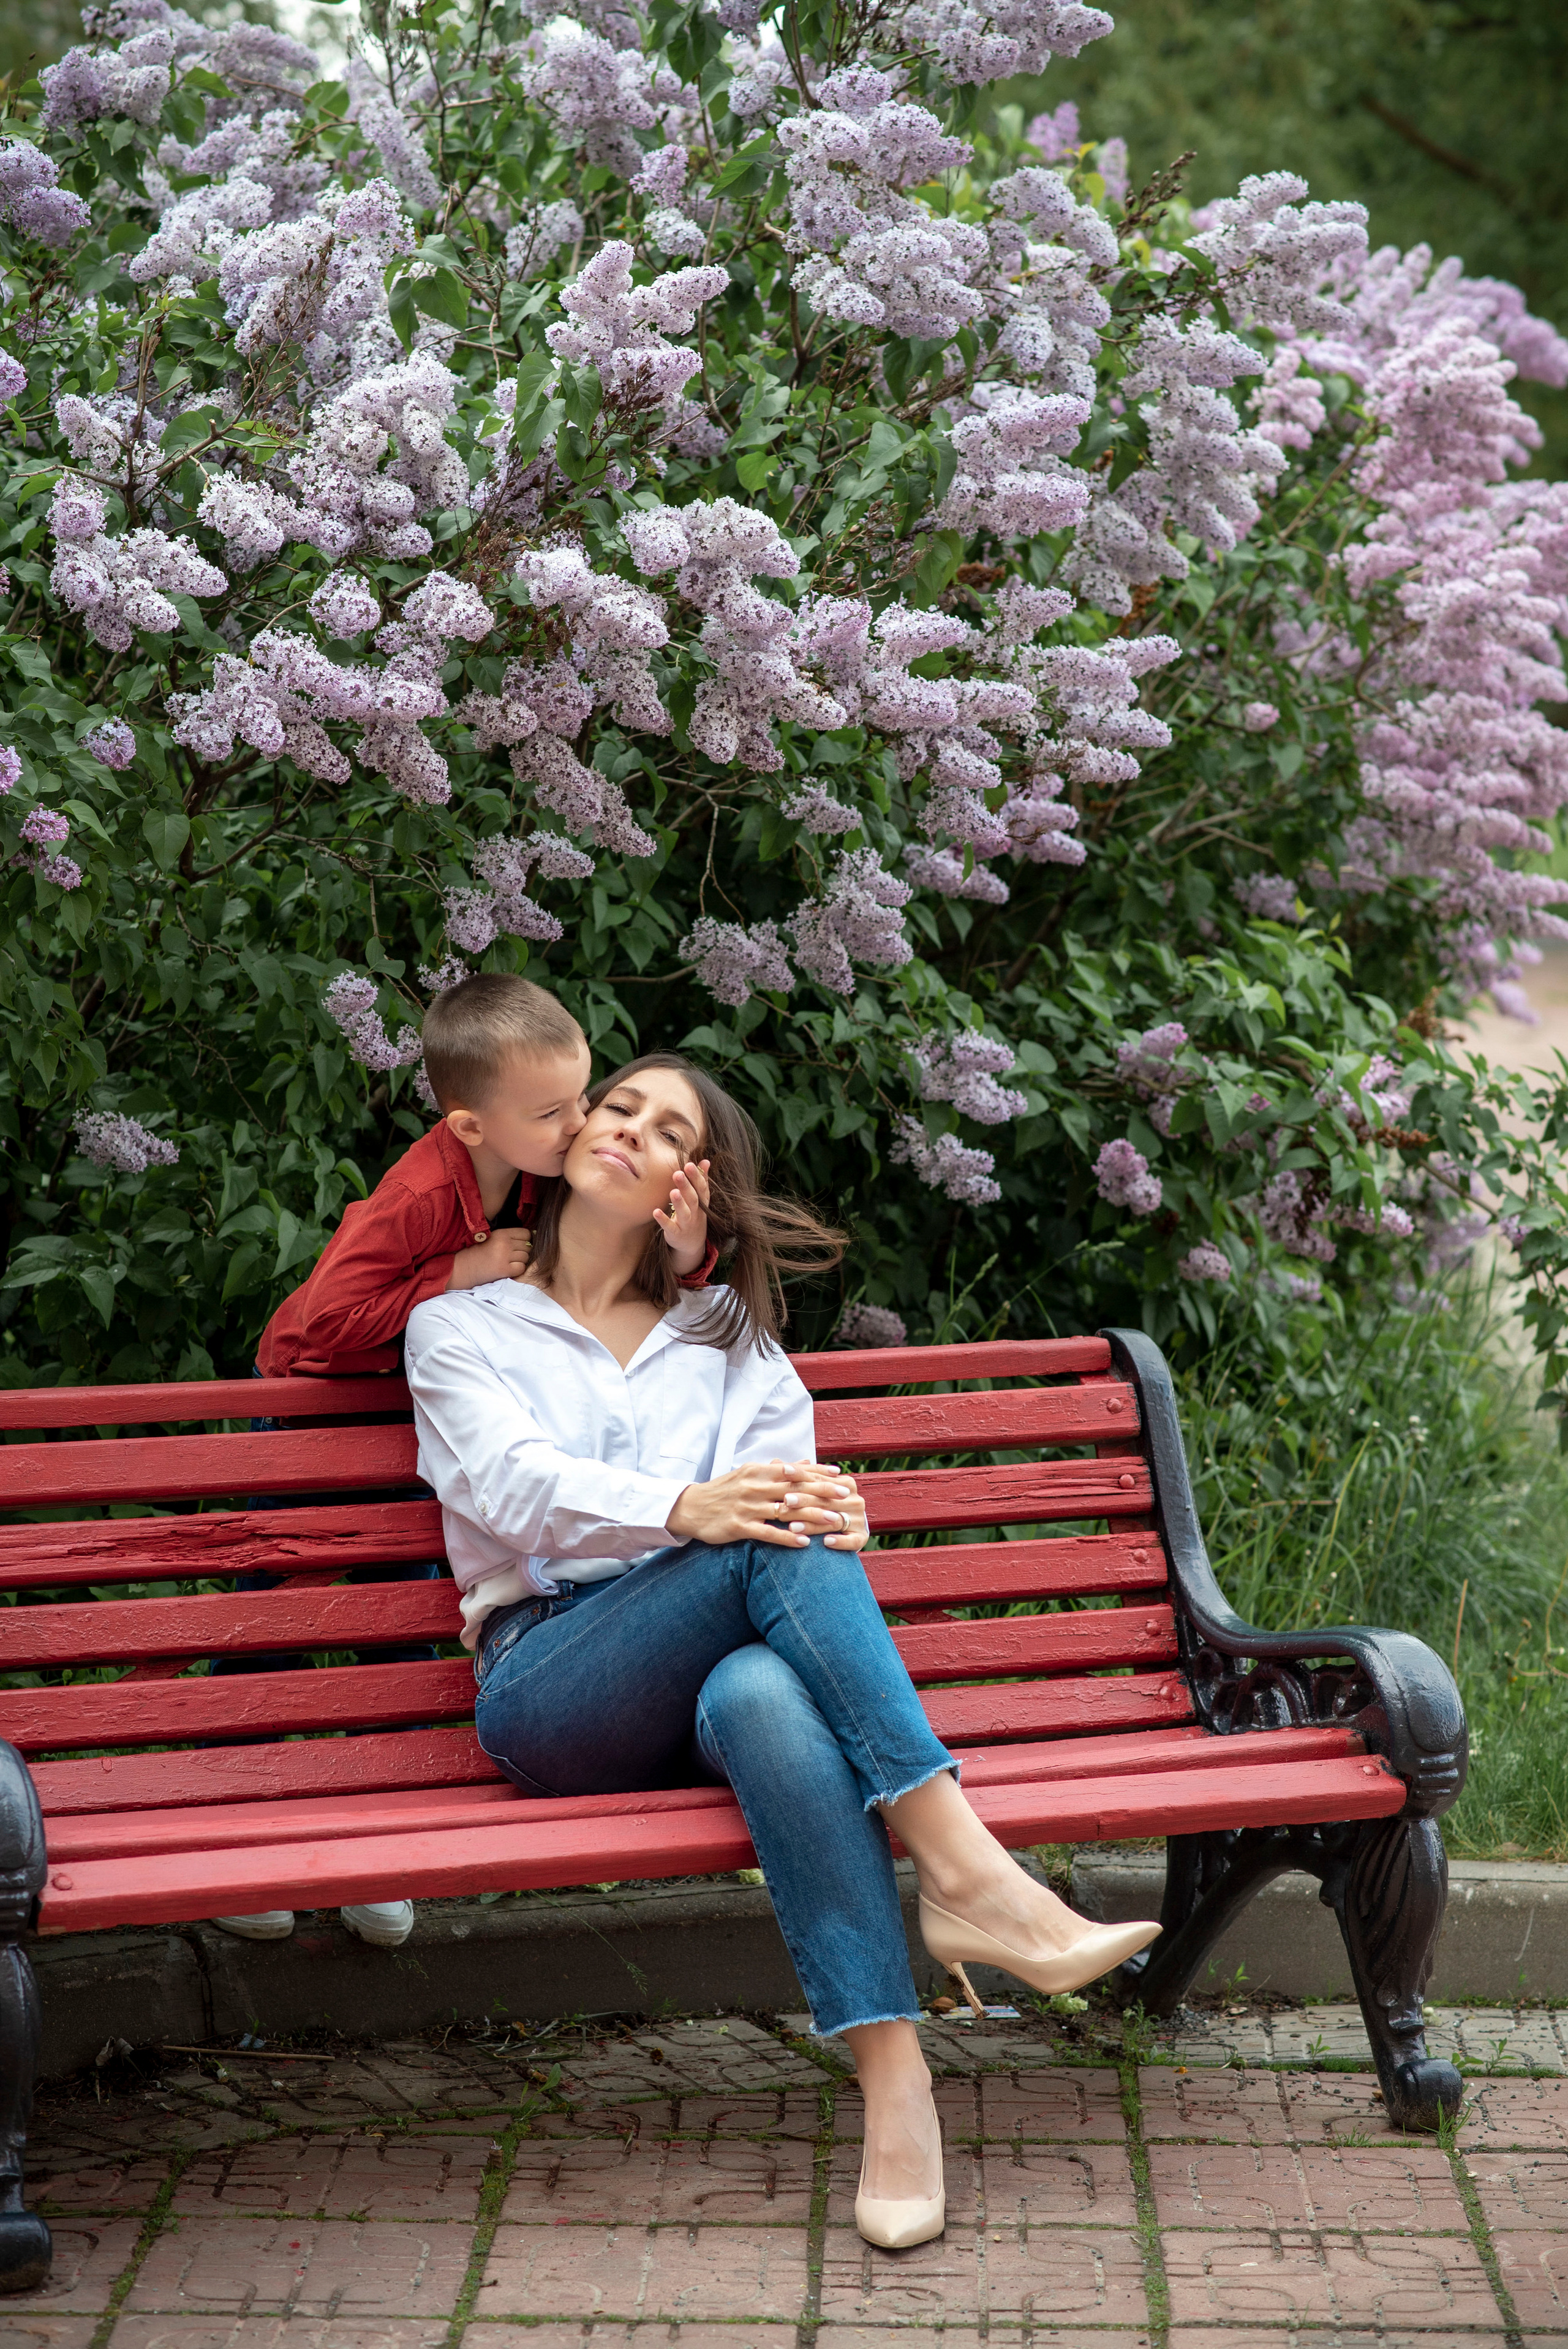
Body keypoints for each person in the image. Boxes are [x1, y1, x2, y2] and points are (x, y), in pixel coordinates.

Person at [404, 1051, 1160, 2250]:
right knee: (760, 1529)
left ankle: (895, 2084)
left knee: (763, 1677)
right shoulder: (458, 1323)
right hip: (551, 1680)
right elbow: (508, 1487)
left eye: (667, 1132)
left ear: (684, 1187)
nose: (629, 1132)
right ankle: (968, 1875)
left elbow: (793, 1495)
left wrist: (815, 1510)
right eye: (619, 1107)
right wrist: (689, 1509)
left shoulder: (725, 1335)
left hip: (714, 1683)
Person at [211, 977, 717, 1948]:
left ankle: (374, 1854)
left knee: (395, 1625)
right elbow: (318, 1323)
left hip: (416, 1422)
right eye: (554, 1112)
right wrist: (455, 1273)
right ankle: (235, 1839)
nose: (579, 1126)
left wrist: (691, 1252)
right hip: (316, 1417)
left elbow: (634, 1239)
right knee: (273, 1621)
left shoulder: (540, 1162)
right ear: (470, 1126)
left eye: (583, 1101)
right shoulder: (416, 1194)